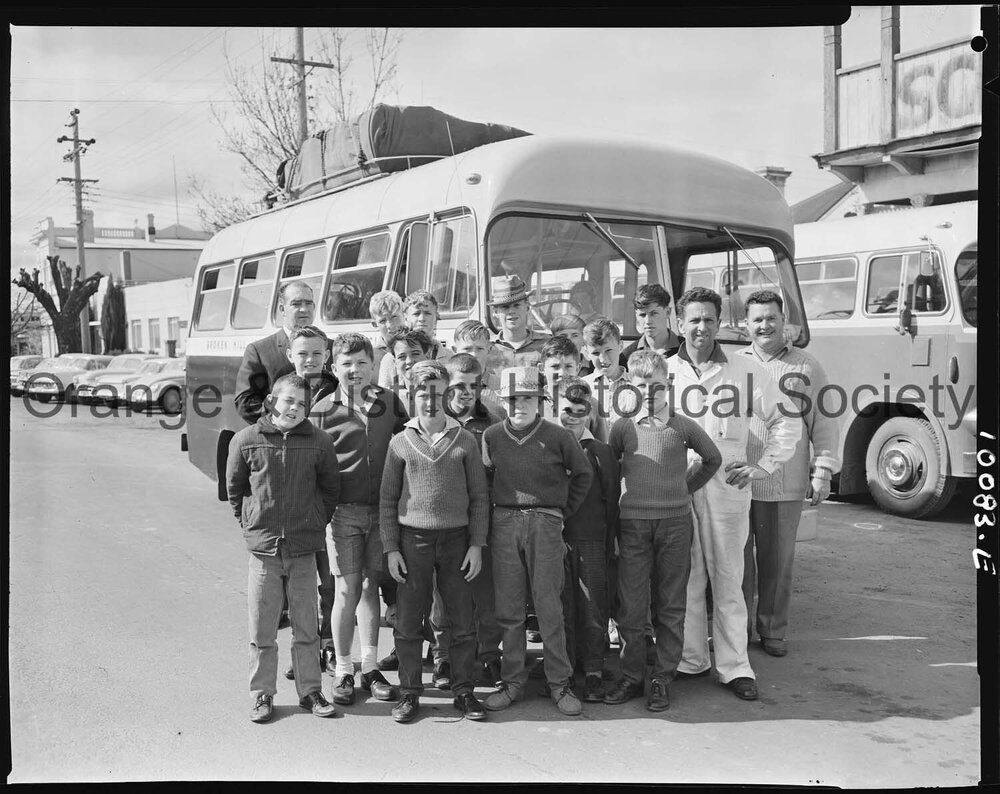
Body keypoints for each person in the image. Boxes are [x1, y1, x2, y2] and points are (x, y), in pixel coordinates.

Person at [666, 286, 799, 701]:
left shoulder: (745, 371)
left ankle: (734, 666)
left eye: (709, 319)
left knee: (728, 576)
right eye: (693, 320)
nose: (701, 327)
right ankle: (691, 659)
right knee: (685, 575)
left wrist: (763, 466)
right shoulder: (665, 371)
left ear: (720, 322)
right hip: (679, 486)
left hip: (727, 485)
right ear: (679, 324)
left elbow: (786, 420)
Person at [604, 351, 722, 712]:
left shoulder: (683, 426)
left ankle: (661, 678)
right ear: (630, 389)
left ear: (668, 385)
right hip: (634, 525)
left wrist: (685, 488)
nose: (649, 393)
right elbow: (611, 471)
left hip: (674, 525)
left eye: (656, 385)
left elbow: (712, 459)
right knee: (633, 605)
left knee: (671, 604)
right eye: (641, 387)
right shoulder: (623, 427)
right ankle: (632, 675)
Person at [380, 361, 491, 723]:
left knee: (461, 618)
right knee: (409, 620)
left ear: (449, 394)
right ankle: (410, 691)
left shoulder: (465, 441)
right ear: (411, 396)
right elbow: (387, 500)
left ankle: (463, 690)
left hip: (456, 540)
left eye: (438, 394)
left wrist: (477, 544)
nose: (431, 402)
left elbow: (478, 496)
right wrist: (391, 548)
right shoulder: (400, 443)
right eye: (423, 394)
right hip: (413, 540)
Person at [226, 373, 341, 722]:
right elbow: (235, 490)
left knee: (307, 626)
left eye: (302, 404)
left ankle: (311, 691)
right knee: (262, 628)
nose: (294, 408)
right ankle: (262, 694)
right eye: (288, 400)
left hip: (304, 549)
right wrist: (252, 523)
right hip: (264, 553)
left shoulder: (319, 442)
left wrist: (314, 520)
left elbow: (330, 490)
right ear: (272, 401)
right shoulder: (246, 440)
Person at [482, 366, 593, 717]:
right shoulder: (492, 436)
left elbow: (583, 474)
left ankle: (559, 682)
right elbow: (486, 480)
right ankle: (512, 680)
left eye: (527, 398)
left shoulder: (559, 436)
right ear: (504, 401)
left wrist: (560, 511)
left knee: (549, 606)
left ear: (539, 401)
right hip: (504, 522)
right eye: (513, 399)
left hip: (545, 522)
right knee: (510, 609)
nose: (520, 405)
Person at [737, 290, 841, 657]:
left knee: (777, 563)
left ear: (784, 321)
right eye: (757, 319)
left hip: (785, 484)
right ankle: (737, 632)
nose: (764, 325)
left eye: (771, 318)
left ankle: (772, 630)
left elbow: (825, 423)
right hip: (737, 483)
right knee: (736, 563)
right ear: (745, 325)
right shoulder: (734, 363)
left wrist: (823, 471)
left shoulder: (806, 366)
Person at [310, 332, 409, 706]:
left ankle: (369, 666)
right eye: (346, 364)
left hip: (382, 513)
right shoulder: (321, 410)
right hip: (343, 515)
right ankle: (344, 669)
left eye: (362, 363)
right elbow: (313, 466)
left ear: (373, 365)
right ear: (334, 368)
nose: (354, 370)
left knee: (371, 587)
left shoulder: (389, 402)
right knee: (347, 589)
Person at [549, 377, 620, 704]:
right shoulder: (548, 447)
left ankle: (593, 671)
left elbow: (610, 501)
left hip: (590, 539)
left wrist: (609, 543)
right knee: (560, 608)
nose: (572, 417)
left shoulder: (601, 452)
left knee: (593, 607)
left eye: (580, 411)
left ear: (590, 414)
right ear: (555, 409)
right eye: (567, 410)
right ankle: (564, 670)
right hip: (553, 539)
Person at [285, 326, 338, 669]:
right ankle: (303, 652)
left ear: (327, 356)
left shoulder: (339, 389)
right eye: (302, 353)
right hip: (297, 504)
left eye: (317, 353)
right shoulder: (283, 391)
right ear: (291, 355)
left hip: (330, 501)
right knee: (299, 584)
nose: (310, 360)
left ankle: (330, 645)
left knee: (330, 581)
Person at [235, 280, 324, 425]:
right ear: (282, 309)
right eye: (296, 304)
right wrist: (283, 419)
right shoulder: (260, 351)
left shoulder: (330, 347)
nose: (304, 309)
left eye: (308, 304)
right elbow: (245, 403)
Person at [538, 334, 607, 442]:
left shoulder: (592, 405)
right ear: (542, 368)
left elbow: (600, 448)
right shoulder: (534, 405)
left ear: (578, 368)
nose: (562, 373)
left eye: (568, 366)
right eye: (555, 367)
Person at [377, 290, 449, 387]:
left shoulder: (449, 357)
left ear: (436, 316)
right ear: (405, 317)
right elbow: (384, 396)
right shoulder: (390, 359)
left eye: (427, 313)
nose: (422, 319)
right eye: (416, 313)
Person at [488, 274, 550, 371]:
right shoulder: (488, 349)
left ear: (527, 306)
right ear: (495, 311)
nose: (511, 311)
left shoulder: (548, 345)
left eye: (516, 305)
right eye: (505, 307)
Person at [582, 318, 632, 431]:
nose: (603, 359)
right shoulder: (582, 387)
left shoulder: (638, 384)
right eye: (595, 353)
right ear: (586, 353)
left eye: (608, 350)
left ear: (620, 347)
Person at [452, 319, 505, 418]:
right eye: (467, 349)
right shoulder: (444, 387)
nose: (474, 354)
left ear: (489, 350)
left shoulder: (503, 388)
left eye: (480, 349)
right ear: (455, 350)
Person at [619, 284, 680, 367]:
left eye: (654, 313)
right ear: (636, 315)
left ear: (668, 312)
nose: (648, 321)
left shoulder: (686, 350)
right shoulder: (626, 357)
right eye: (642, 315)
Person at [383, 328, 434, 412]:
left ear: (428, 356)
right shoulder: (388, 398)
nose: (409, 361)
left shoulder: (442, 392)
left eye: (415, 354)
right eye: (402, 357)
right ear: (395, 362)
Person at [368, 290, 405, 384]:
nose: (390, 325)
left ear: (404, 315)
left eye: (394, 317)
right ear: (374, 324)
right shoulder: (371, 356)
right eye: (383, 321)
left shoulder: (418, 347)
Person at [549, 313, 593, 377]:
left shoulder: (597, 367)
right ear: (554, 340)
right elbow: (529, 385)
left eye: (575, 335)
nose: (569, 340)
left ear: (584, 339)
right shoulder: (536, 367)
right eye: (563, 336)